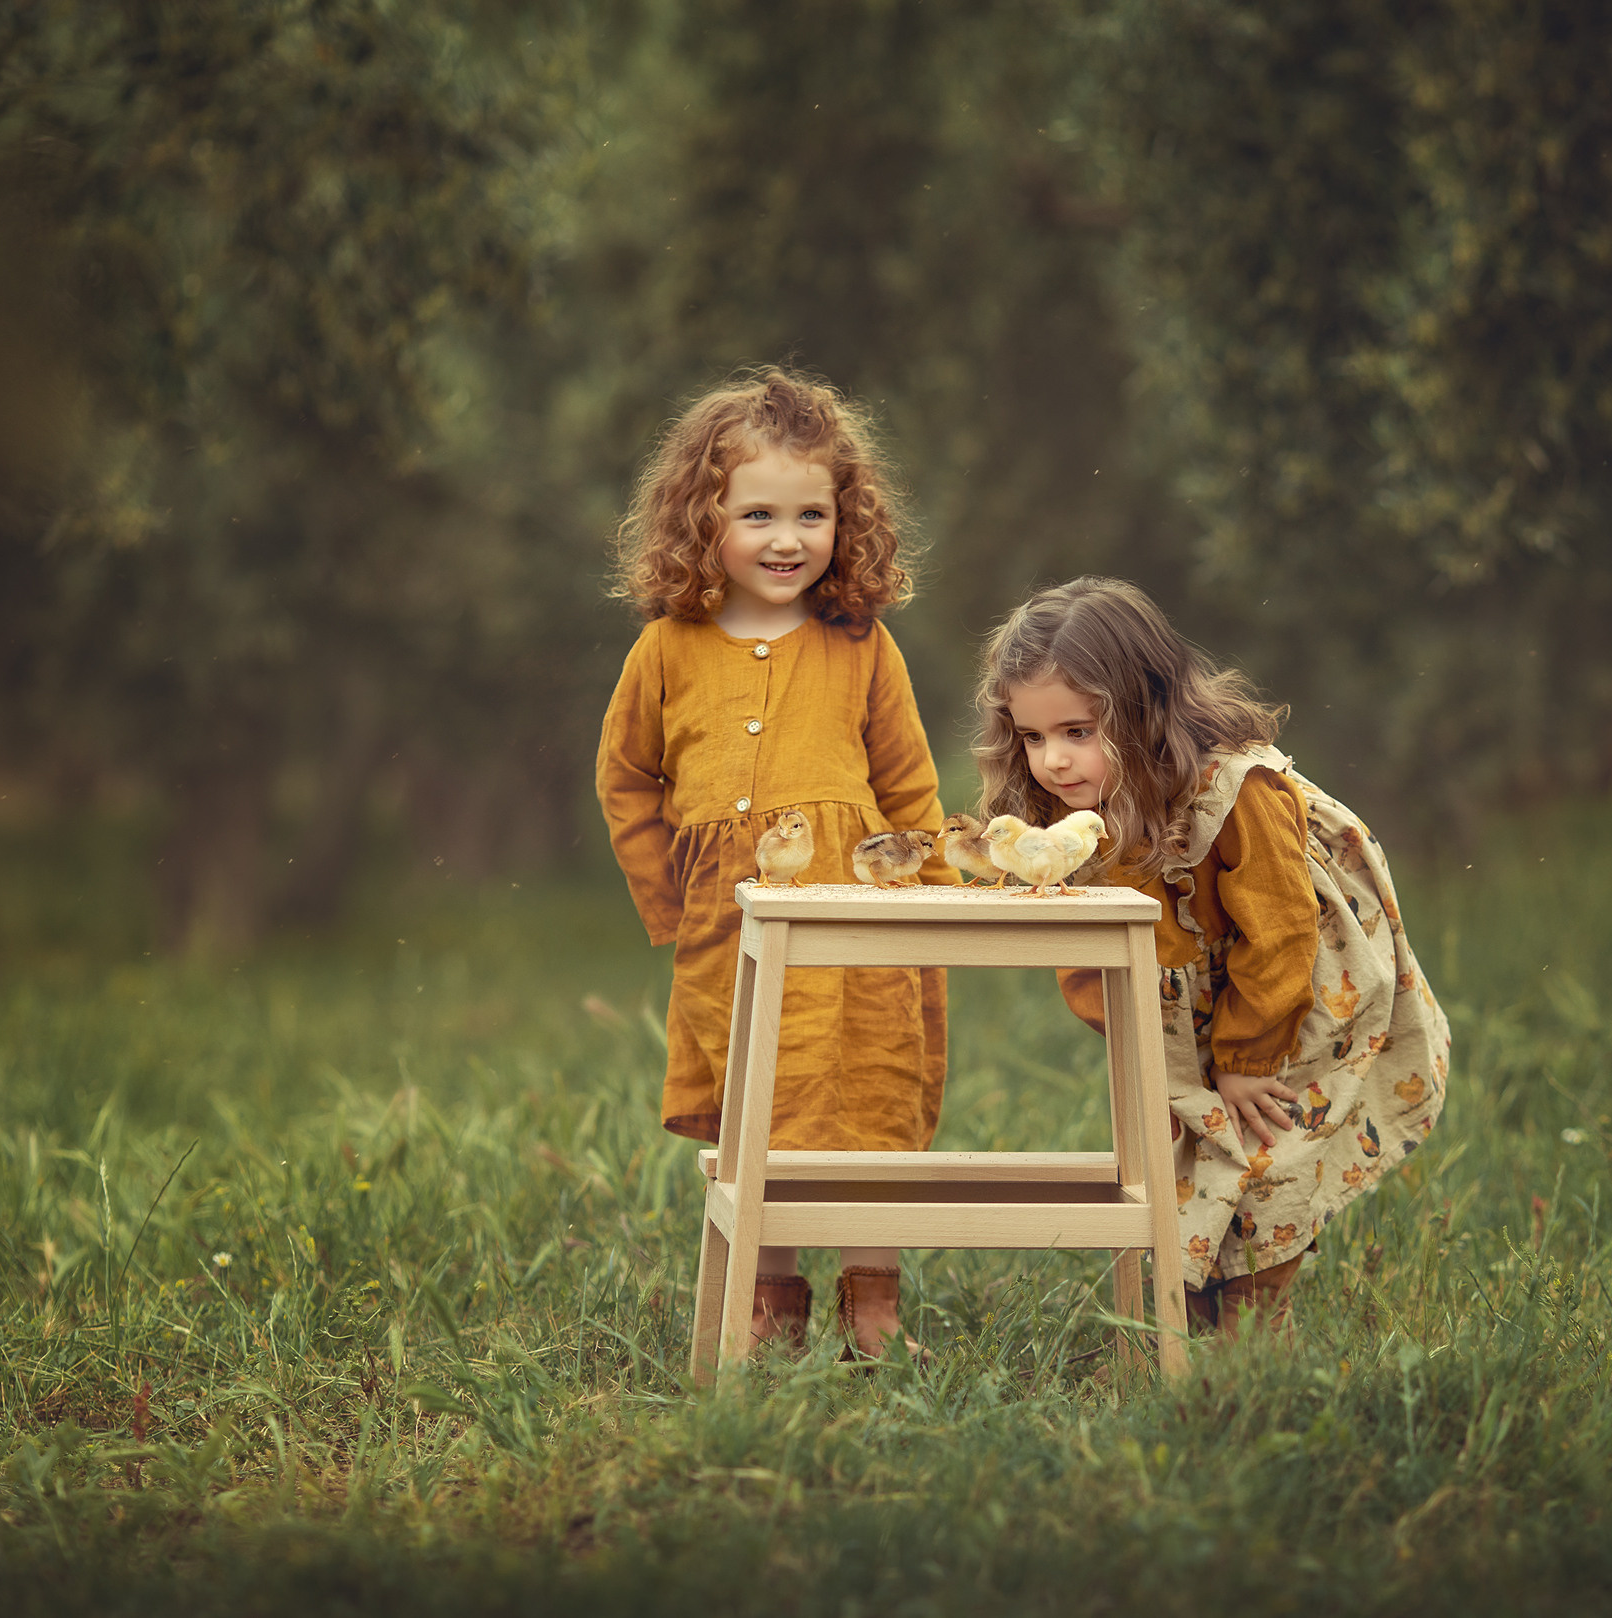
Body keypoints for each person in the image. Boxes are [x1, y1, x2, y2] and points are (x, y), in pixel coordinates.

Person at [973, 577, 1451, 1336]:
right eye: (1034, 739)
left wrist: (1246, 1054)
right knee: (1192, 1160)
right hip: (1192, 1013)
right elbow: (1094, 938)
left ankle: (1258, 1317)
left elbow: (1283, 928)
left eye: (1078, 731)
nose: (1055, 762)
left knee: (1269, 1149)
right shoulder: (1078, 819)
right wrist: (1143, 1038)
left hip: (1293, 1002)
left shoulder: (1237, 790)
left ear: (1145, 709)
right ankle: (1193, 1300)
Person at [596, 367, 949, 1358]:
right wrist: (671, 905)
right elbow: (624, 777)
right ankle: (774, 1301)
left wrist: (934, 906)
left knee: (867, 1097)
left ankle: (872, 1304)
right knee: (763, 1110)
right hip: (732, 932)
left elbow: (910, 787)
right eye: (757, 513)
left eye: (811, 514)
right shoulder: (667, 648)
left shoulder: (859, 643)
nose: (787, 538)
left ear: (848, 521)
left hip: (859, 930)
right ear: (701, 521)